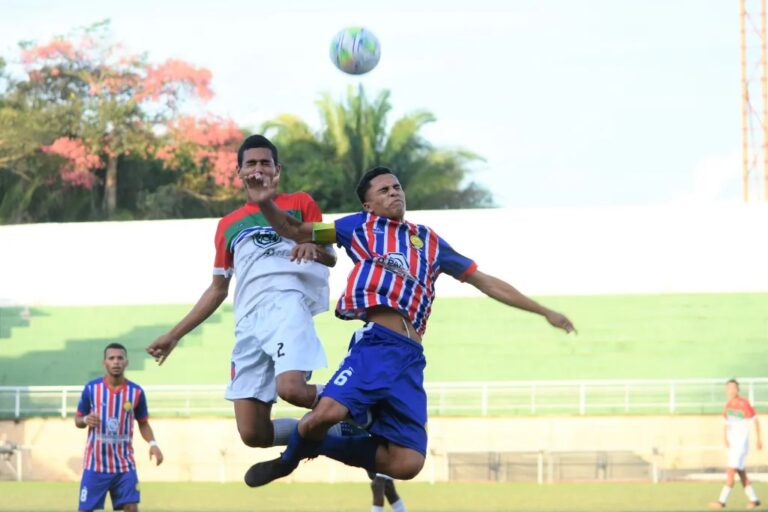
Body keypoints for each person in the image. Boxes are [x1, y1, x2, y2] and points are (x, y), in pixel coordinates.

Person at [243, 166, 575, 487]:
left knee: (408, 462)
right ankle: (288, 461)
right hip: (378, 343)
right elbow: (293, 228)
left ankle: (325, 438)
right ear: (368, 204)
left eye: (397, 187)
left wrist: (543, 311)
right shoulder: (356, 226)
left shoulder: (429, 241)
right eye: (384, 190)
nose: (394, 193)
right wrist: (265, 202)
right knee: (325, 414)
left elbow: (484, 281)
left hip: (411, 355)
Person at [146, 135, 336, 449]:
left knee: (292, 390)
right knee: (252, 433)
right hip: (248, 322)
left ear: (277, 169)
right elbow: (218, 289)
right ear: (239, 172)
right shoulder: (227, 225)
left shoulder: (302, 202)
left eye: (265, 162)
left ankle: (363, 405)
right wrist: (175, 334)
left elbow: (332, 255)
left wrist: (311, 247)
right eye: (251, 163)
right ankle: (333, 433)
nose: (258, 168)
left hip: (288, 307)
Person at [75, 343, 163, 512]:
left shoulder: (136, 392)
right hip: (95, 465)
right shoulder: (91, 389)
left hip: (124, 466)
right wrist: (86, 419)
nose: (116, 362)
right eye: (111, 358)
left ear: (126, 362)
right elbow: (77, 420)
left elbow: (143, 422)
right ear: (104, 363)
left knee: (131, 507)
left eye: (120, 358)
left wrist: (153, 444)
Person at [710, 379, 762, 509]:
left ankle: (721, 501)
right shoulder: (728, 405)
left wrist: (758, 439)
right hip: (732, 445)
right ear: (726, 390)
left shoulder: (744, 403)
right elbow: (725, 423)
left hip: (741, 444)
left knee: (731, 471)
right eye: (729, 388)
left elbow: (755, 420)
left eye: (733, 388)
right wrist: (725, 438)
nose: (731, 390)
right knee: (741, 472)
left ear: (738, 389)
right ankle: (754, 500)